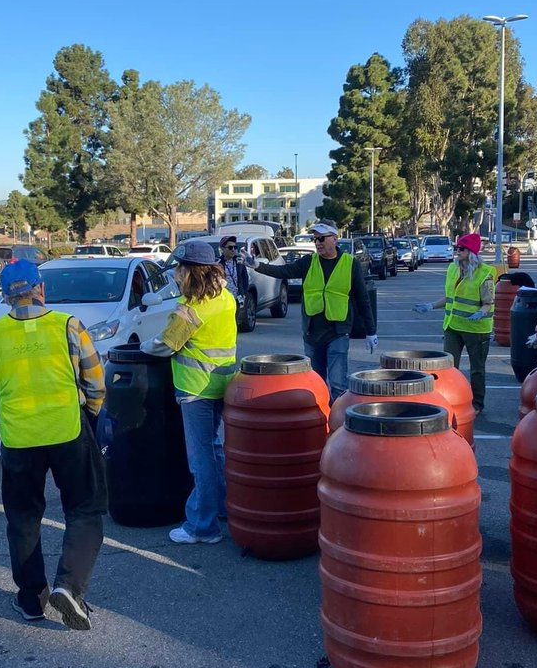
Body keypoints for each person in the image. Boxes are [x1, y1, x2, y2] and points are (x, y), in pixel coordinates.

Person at [0, 259, 107, 629]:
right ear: (41, 289)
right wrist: (91, 416)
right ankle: (69, 587)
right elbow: (95, 383)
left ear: (4, 298)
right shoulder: (68, 326)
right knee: (84, 509)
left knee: (23, 517)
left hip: (19, 439)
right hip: (67, 431)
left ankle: (32, 597)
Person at [142, 240, 238, 545]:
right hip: (223, 383)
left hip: (196, 388)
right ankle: (222, 508)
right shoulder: (225, 297)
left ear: (190, 272)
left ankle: (202, 526)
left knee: (200, 460)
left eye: (179, 269)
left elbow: (166, 344)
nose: (175, 275)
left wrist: (143, 347)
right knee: (215, 448)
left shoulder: (191, 309)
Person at [249, 221, 377, 401]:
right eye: (315, 239)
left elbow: (362, 299)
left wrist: (371, 331)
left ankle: (337, 425)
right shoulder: (309, 262)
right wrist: (258, 266)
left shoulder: (350, 264)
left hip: (338, 332)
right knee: (316, 384)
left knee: (338, 385)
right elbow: (285, 271)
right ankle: (319, 423)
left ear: (334, 238)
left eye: (322, 238)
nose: (318, 243)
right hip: (312, 333)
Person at [412, 232, 495, 412]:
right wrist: (431, 306)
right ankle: (449, 400)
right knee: (449, 367)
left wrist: (480, 313)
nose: (458, 251)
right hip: (452, 326)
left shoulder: (484, 274)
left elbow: (488, 303)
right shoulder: (453, 269)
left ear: (471, 252)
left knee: (477, 369)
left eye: (462, 249)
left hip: (477, 330)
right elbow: (450, 298)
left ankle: (477, 404)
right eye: (457, 248)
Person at [219, 232, 249, 303]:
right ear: (222, 249)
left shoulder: (239, 262)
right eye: (230, 247)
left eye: (235, 247)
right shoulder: (218, 263)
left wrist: (244, 293)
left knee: (239, 314)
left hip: (238, 298)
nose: (233, 249)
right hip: (224, 300)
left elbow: (245, 278)